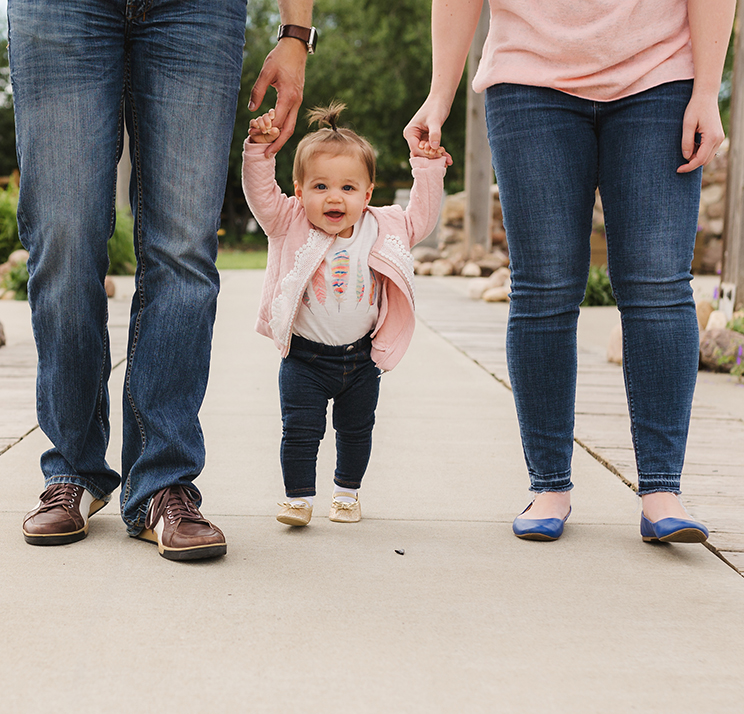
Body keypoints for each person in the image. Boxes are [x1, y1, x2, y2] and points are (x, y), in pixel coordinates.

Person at [0, 0, 314, 560]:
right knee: (63, 238)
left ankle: (162, 481)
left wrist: (296, 31)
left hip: (198, 12)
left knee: (184, 249)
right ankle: (73, 471)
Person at [404, 0, 735, 542]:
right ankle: (549, 485)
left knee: (658, 286)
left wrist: (706, 89)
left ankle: (661, 492)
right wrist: (440, 93)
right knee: (544, 287)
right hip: (529, 79)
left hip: (660, 77)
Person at [243, 103, 449, 526]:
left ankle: (347, 493)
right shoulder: (288, 220)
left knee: (356, 432)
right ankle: (298, 498)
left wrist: (426, 167)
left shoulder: (384, 226)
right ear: (299, 191)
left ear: (367, 193)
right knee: (300, 432)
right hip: (304, 359)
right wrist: (259, 152)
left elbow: (423, 217)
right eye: (320, 186)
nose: (334, 197)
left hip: (359, 359)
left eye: (348, 188)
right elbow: (262, 197)